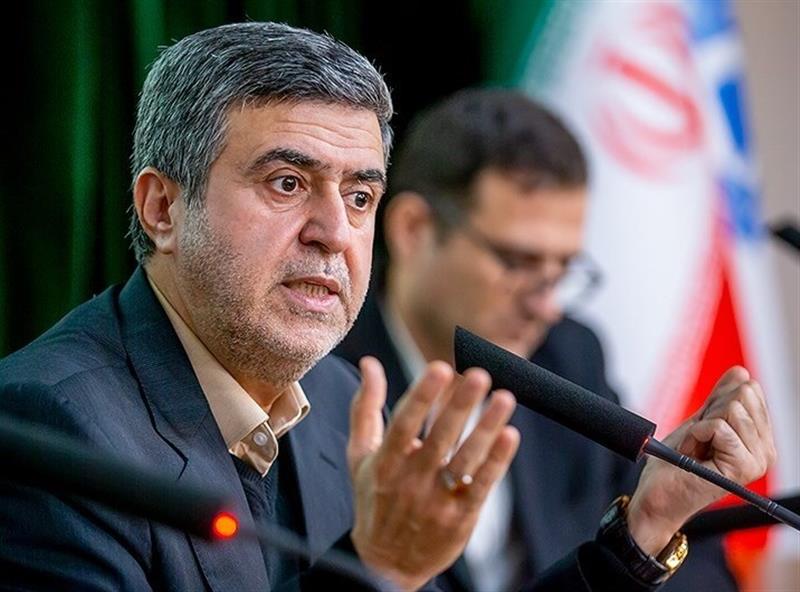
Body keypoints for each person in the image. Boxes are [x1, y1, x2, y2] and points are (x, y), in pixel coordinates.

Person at [0, 23, 775, 592]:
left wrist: (641, 529)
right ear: (163, 207)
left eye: (360, 195)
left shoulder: (340, 399)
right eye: (287, 184)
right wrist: (380, 569)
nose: (335, 232)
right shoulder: (47, 431)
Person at [335, 89, 745, 591]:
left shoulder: (566, 356)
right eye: (519, 262)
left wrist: (655, 521)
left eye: (563, 269)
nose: (546, 306)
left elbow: (700, 569)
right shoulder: (318, 375)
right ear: (412, 228)